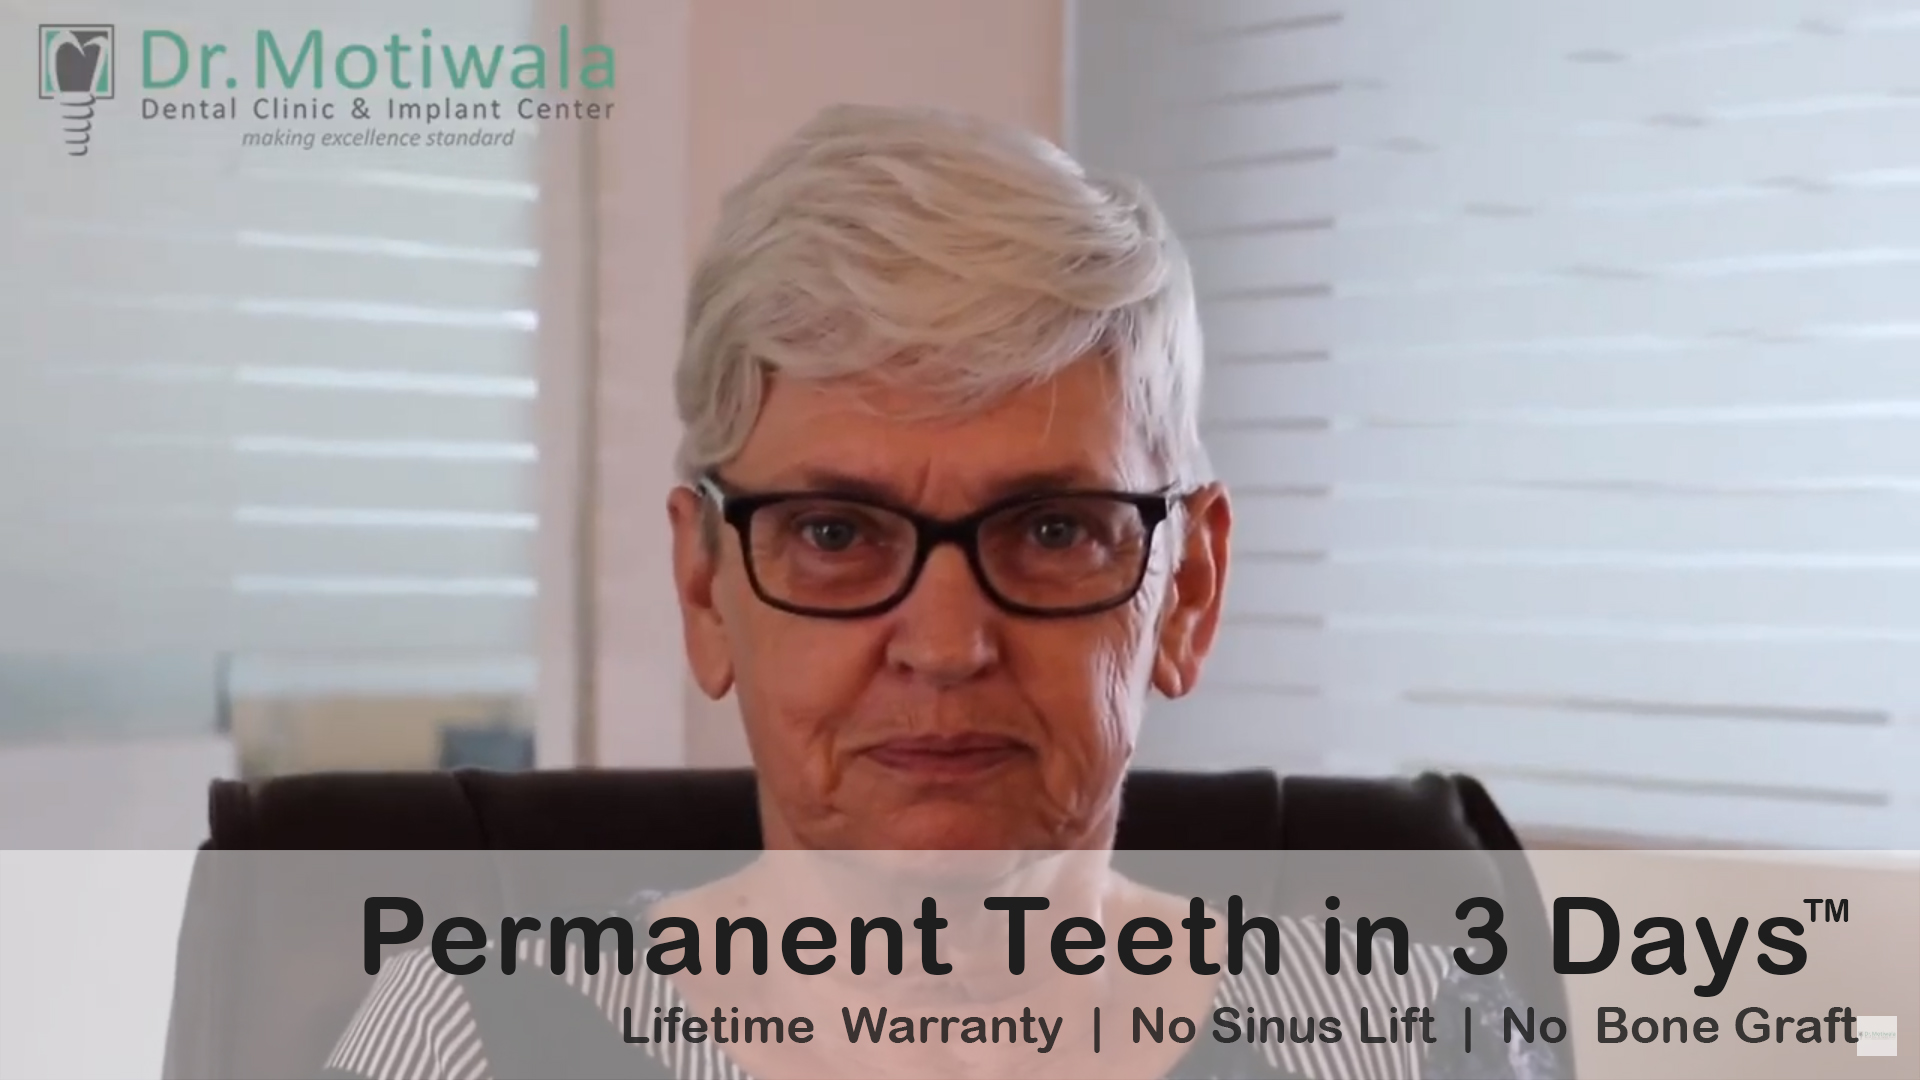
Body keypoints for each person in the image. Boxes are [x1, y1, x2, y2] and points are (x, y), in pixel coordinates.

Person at [321, 104, 1566, 1080]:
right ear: (705, 587)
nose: (946, 642)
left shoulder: (1407, 1035)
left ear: (1187, 589)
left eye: (1054, 530)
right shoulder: (478, 1040)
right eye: (833, 532)